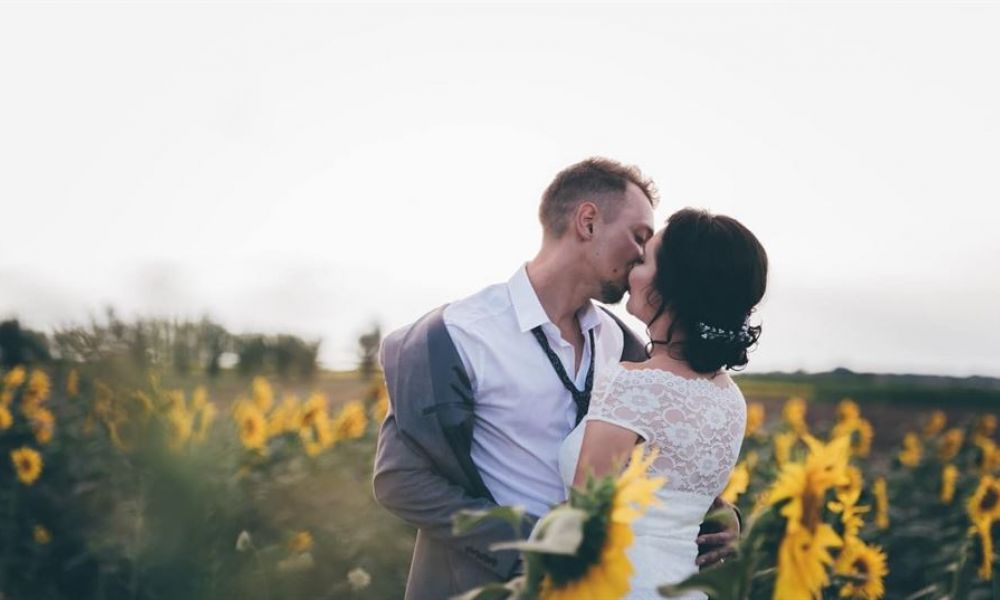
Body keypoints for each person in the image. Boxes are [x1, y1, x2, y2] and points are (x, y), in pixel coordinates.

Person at [373, 159, 740, 600]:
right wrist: (532, 550)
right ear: (587, 222)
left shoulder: (624, 344)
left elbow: (660, 456)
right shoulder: (455, 334)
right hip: (491, 584)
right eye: (639, 237)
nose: (643, 257)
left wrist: (717, 515)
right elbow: (399, 480)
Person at [561, 208, 768, 599]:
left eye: (643, 260)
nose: (631, 269)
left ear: (670, 287)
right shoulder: (730, 398)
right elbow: (679, 496)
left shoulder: (631, 382)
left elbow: (580, 517)